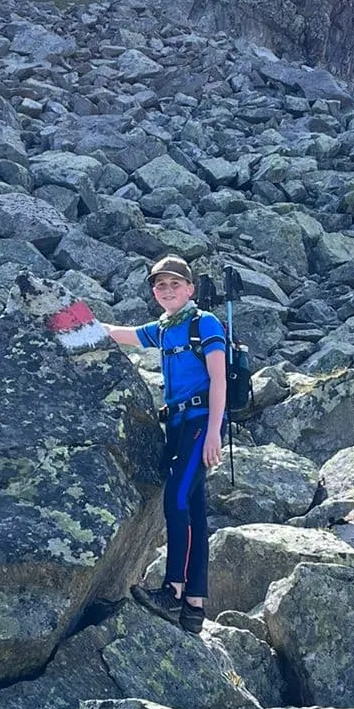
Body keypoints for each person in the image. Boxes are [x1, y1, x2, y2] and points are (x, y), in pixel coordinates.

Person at [105, 255, 226, 633]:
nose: (167, 290)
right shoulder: (164, 327)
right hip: (176, 425)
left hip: (199, 423)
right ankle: (194, 607)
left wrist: (213, 434)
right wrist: (65, 319)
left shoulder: (203, 323)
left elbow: (219, 381)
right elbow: (117, 333)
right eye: (160, 285)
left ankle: (173, 590)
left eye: (175, 284)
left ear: (190, 289)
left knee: (175, 499)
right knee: (192, 506)